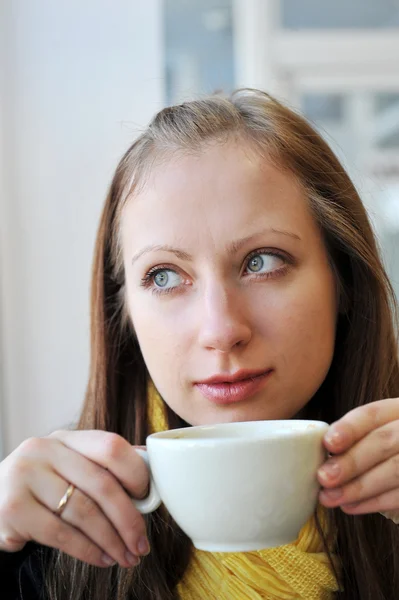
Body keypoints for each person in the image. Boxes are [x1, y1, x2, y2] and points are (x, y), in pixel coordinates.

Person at [1, 88, 399, 600]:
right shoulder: (47, 541)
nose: (220, 330)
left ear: (342, 279)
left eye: (262, 262)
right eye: (165, 276)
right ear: (123, 314)